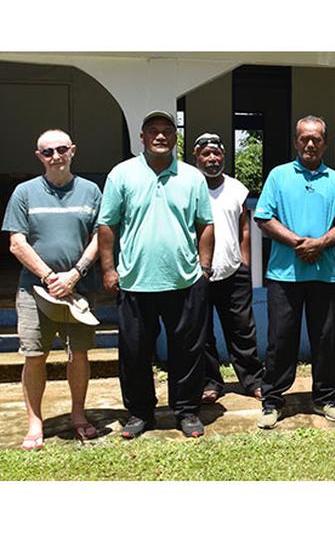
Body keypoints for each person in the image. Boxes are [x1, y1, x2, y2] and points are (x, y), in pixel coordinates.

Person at [98, 110, 214, 439]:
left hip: (185, 280)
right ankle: (140, 413)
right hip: (135, 280)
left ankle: (187, 411)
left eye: (167, 131)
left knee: (187, 351)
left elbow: (206, 224)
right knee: (134, 352)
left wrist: (203, 267)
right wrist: (108, 268)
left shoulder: (192, 177)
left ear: (176, 137)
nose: (161, 136)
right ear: (142, 137)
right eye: (154, 131)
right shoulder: (122, 175)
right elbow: (107, 225)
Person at [2, 129, 102, 450]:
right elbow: (17, 243)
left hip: (79, 289)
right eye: (48, 152)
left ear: (72, 150)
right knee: (34, 356)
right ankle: (35, 423)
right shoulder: (24, 193)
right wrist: (49, 276)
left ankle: (78, 415)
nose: (55, 156)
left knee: (79, 354)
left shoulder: (90, 191)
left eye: (61, 149)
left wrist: (74, 274)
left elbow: (101, 237)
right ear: (39, 156)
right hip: (34, 290)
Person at [254, 116, 335, 429]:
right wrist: (299, 243)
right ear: (296, 141)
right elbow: (264, 217)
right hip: (285, 275)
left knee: (326, 339)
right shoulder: (278, 176)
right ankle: (273, 400)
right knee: (280, 339)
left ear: (325, 142)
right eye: (304, 138)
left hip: (324, 275)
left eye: (317, 139)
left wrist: (320, 244)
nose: (310, 144)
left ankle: (325, 397)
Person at [193, 133, 263, 402]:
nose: (212, 159)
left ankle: (253, 380)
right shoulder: (190, 187)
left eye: (216, 153)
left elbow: (244, 226)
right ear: (196, 158)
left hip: (233, 272)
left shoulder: (236, 189)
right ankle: (211, 382)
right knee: (202, 331)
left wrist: (245, 262)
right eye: (206, 154)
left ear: (223, 156)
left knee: (242, 330)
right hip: (198, 274)